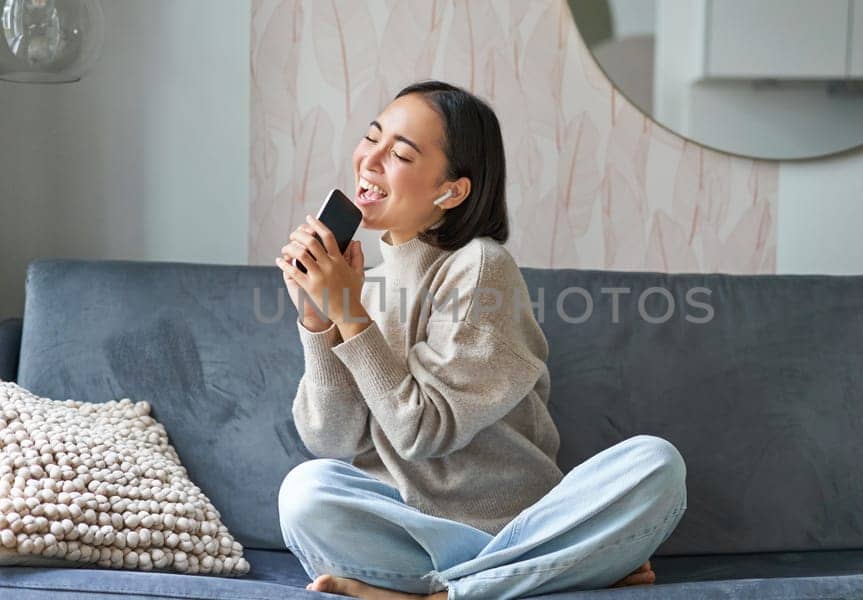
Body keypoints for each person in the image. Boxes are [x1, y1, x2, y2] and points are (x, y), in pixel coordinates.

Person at [273, 80, 686, 600]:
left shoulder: (480, 267)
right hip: (416, 535)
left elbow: (424, 434)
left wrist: (351, 316)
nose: (370, 160)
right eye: (371, 138)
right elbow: (330, 442)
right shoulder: (358, 285)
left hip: (516, 526)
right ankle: (538, 575)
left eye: (400, 153)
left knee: (656, 464)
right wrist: (318, 319)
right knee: (305, 493)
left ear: (451, 191)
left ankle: (447, 595)